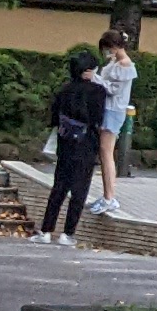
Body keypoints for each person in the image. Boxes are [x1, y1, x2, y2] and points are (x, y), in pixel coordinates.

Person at [41, 54, 106, 240]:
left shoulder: (64, 90)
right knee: (79, 190)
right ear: (88, 71)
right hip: (87, 145)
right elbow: (98, 119)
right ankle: (68, 233)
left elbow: (54, 118)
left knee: (59, 187)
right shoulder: (98, 91)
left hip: (65, 143)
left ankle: (46, 230)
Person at [92, 27, 138, 217]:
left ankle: (110, 197)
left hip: (114, 110)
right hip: (107, 109)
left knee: (106, 152)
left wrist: (94, 78)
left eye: (109, 48)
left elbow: (112, 89)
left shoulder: (125, 66)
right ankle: (107, 195)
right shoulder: (114, 63)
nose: (107, 53)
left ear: (116, 46)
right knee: (104, 153)